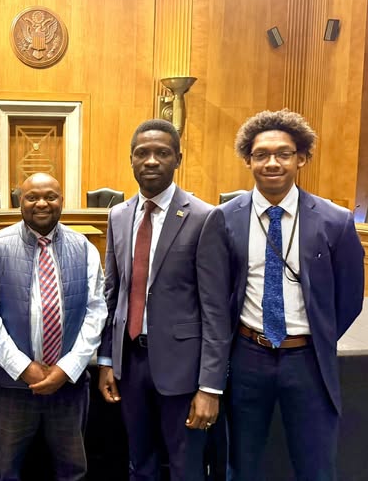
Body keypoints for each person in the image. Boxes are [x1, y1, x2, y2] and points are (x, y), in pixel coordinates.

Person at [197, 109, 365, 480]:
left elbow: (350, 298)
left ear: (301, 158)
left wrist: (316, 335)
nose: (272, 163)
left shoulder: (335, 221)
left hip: (308, 361)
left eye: (283, 154)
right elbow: (215, 298)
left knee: (316, 464)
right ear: (248, 160)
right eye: (261, 155)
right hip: (247, 357)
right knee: (241, 463)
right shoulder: (224, 218)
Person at [96, 119, 227, 481]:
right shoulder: (119, 215)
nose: (151, 160)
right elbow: (113, 293)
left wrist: (210, 386)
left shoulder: (204, 217)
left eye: (162, 153)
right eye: (142, 153)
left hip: (183, 369)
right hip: (131, 364)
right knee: (140, 463)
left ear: (178, 159)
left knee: (186, 467)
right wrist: (106, 359)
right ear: (131, 160)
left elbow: (215, 309)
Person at [0, 173, 107, 481]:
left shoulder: (84, 247)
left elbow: (96, 311)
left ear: (62, 201)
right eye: (32, 197)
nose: (42, 203)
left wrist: (67, 368)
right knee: (4, 471)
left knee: (72, 471)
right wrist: (24, 367)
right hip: (11, 387)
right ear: (20, 201)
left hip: (68, 386)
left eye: (50, 196)